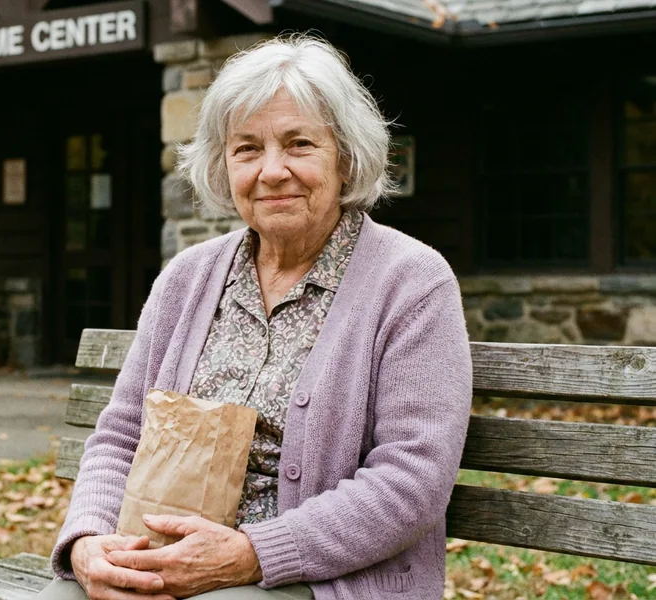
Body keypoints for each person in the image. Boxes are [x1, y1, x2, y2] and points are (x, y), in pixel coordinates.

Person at [36, 35, 472, 600]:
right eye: (247, 149)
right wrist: (89, 540)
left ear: (345, 157)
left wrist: (252, 553)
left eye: (298, 144)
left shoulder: (411, 280)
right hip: (157, 554)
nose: (272, 171)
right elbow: (120, 436)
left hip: (317, 578)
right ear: (224, 165)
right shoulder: (187, 278)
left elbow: (412, 480)